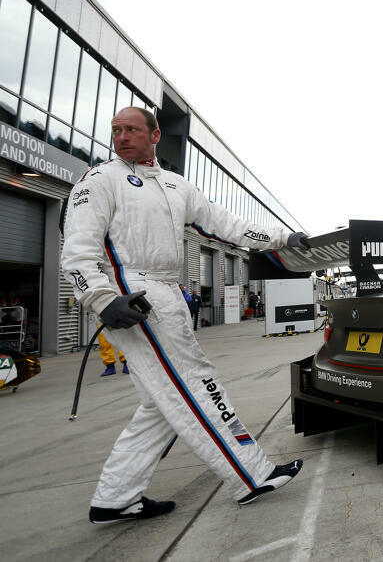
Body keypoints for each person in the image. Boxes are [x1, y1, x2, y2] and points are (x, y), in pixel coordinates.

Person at [61, 107, 311, 525]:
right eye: (116, 130)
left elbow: (227, 225)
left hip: (167, 291)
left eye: (132, 130)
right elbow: (77, 250)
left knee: (162, 403)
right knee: (196, 383)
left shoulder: (177, 186)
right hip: (133, 298)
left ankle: (116, 497)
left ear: (155, 135)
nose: (122, 137)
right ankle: (252, 474)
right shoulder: (99, 180)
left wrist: (285, 238)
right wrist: (101, 299)